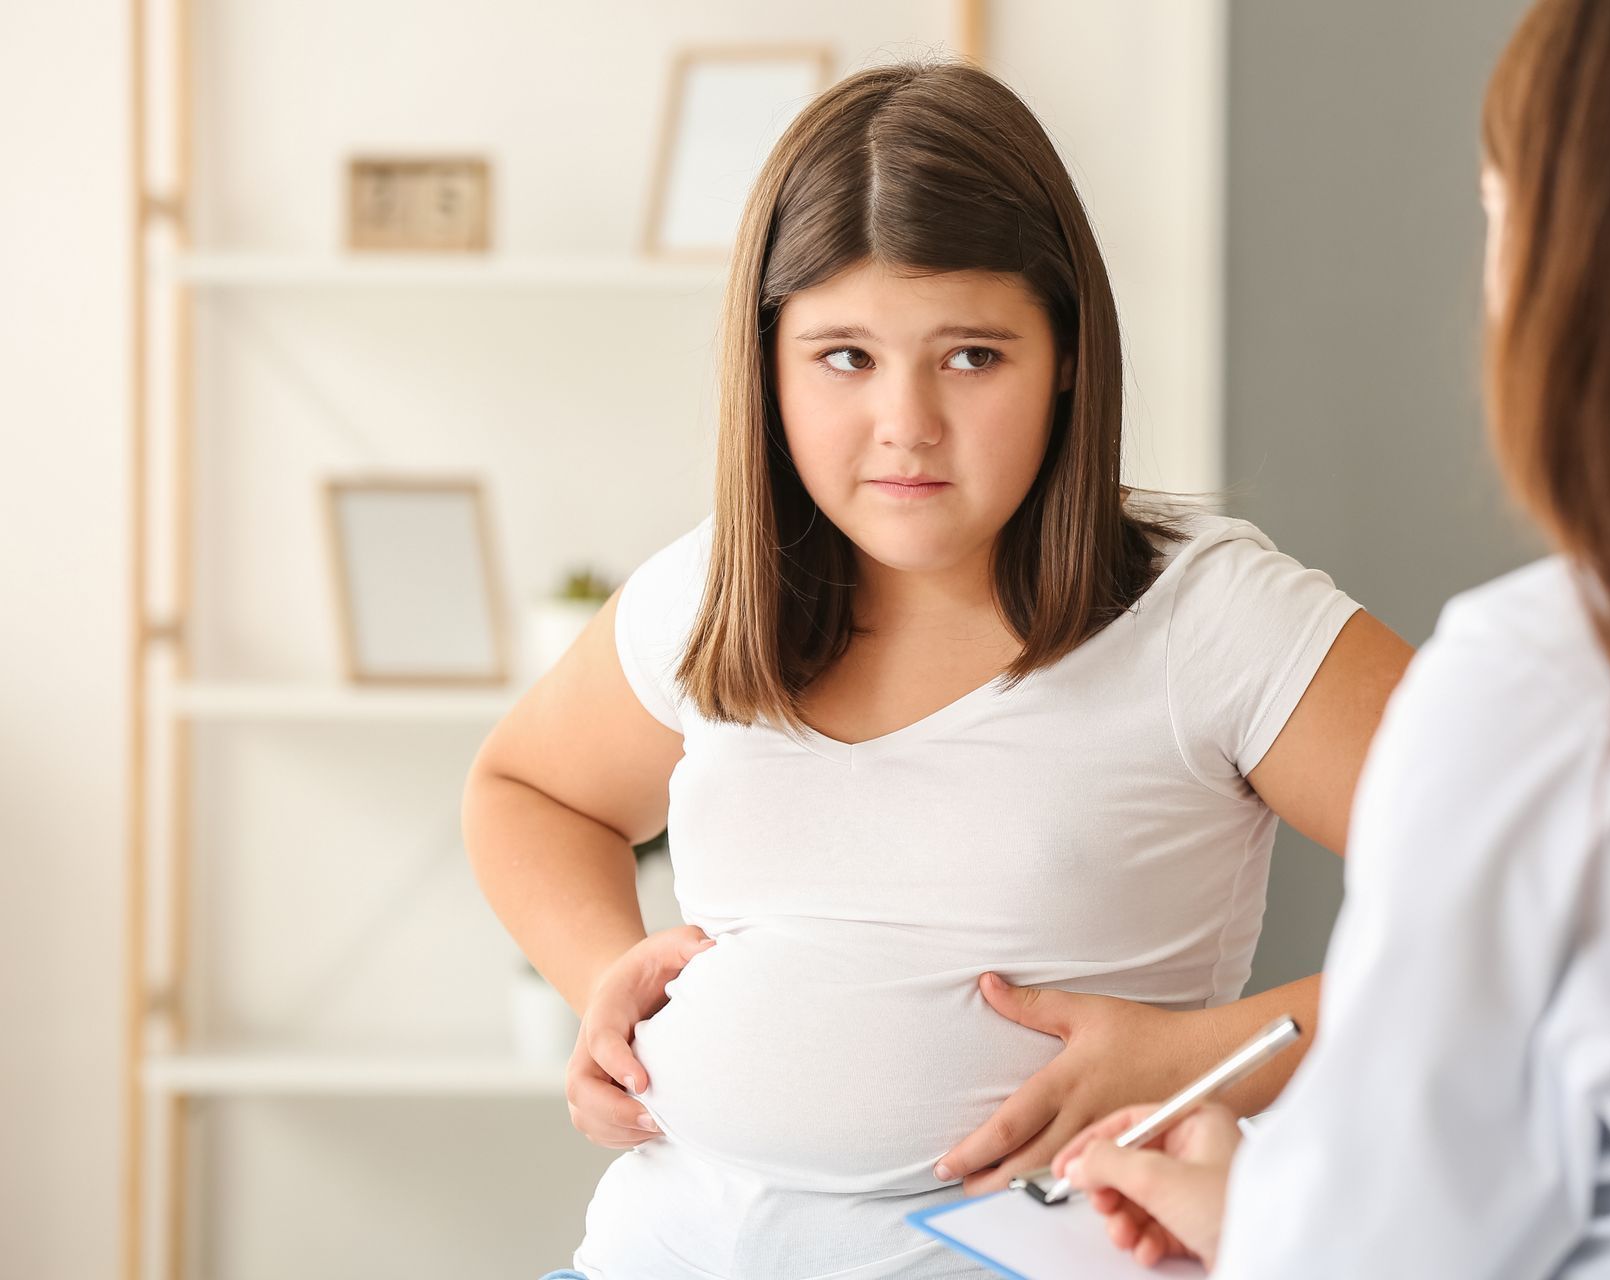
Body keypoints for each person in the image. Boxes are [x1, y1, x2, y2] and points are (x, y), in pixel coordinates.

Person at [461, 59, 1412, 1279]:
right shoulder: (714, 593)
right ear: (768, 363)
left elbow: (1567, 911)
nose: (904, 422)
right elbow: (529, 788)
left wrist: (1210, 1051)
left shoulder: (1209, 615)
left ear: (1066, 353)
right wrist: (604, 981)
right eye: (844, 357)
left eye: (970, 355)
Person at [1051, 0, 1610, 1273]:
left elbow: (1392, 1242)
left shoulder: (1546, 683)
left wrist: (1269, 1222)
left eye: (1499, 212)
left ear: (1584, 271)